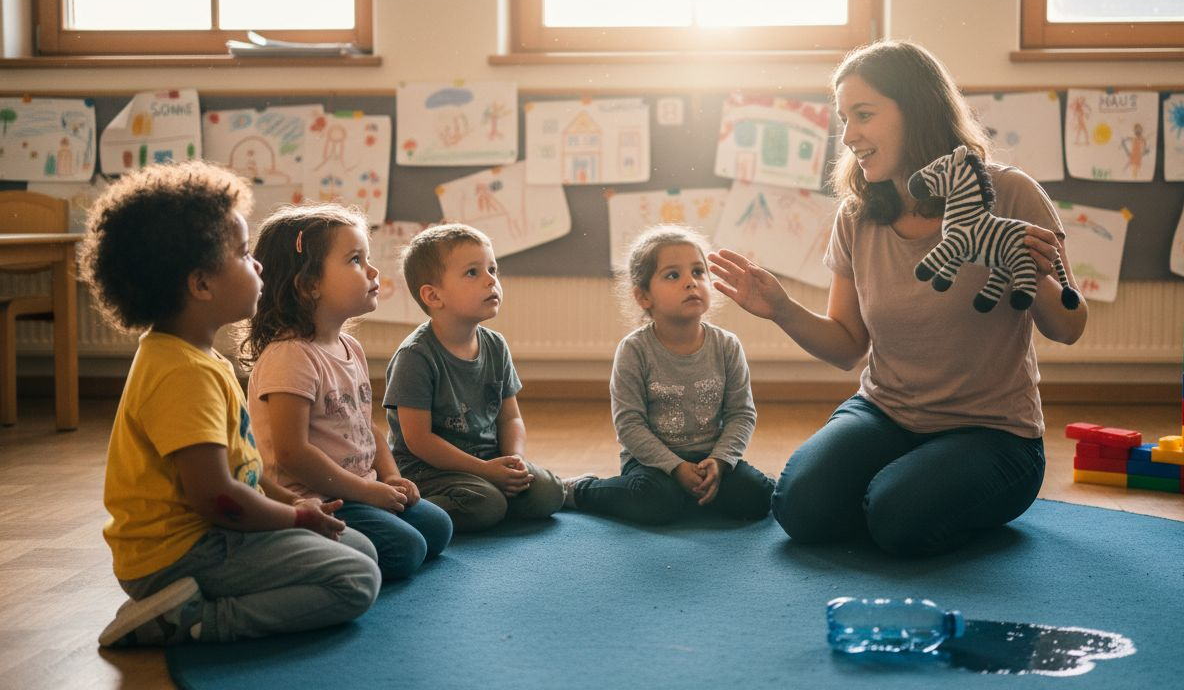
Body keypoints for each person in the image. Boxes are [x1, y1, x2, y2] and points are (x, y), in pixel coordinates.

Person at [709, 40, 1088, 557]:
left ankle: (907, 496)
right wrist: (779, 308)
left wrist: (1025, 266)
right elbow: (847, 347)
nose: (849, 136)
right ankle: (899, 490)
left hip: (994, 434)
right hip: (884, 413)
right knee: (798, 507)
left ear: (919, 110)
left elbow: (1069, 328)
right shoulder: (858, 215)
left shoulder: (1010, 192)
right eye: (844, 119)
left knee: (896, 518)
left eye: (863, 115)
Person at [82, 162, 380, 648]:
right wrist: (297, 520)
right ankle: (192, 619)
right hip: (181, 554)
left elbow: (243, 469)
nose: (258, 265)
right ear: (201, 284)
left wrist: (294, 504)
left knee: (361, 548)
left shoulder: (196, 356)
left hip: (214, 532)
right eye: (243, 254)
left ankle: (195, 605)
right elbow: (216, 498)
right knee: (356, 581)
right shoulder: (182, 373)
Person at [241, 204, 453, 580]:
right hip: (323, 499)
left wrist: (389, 477)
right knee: (408, 549)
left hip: (360, 489)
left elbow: (364, 425)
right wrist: (368, 494)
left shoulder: (348, 347)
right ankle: (307, 549)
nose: (372, 271)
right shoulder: (290, 356)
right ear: (309, 285)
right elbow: (292, 453)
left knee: (439, 528)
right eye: (356, 260)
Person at [565, 225, 774, 524]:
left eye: (698, 272)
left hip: (710, 457)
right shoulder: (634, 350)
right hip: (652, 464)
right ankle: (580, 490)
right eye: (673, 275)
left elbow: (741, 414)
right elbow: (629, 424)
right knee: (655, 500)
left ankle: (698, 490)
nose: (691, 282)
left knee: (757, 497)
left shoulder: (727, 345)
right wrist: (675, 467)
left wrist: (719, 461)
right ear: (643, 297)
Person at [382, 223, 566, 531]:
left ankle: (498, 493)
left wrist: (513, 461)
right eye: (473, 272)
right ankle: (409, 514)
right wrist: (485, 471)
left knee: (549, 492)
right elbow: (419, 442)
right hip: (429, 471)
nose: (491, 279)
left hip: (487, 462)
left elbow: (510, 419)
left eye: (493, 269)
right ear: (433, 295)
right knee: (486, 503)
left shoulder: (496, 345)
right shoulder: (415, 356)